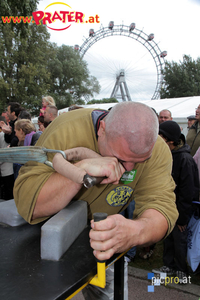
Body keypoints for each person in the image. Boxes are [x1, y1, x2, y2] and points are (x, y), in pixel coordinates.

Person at [14, 102, 178, 298]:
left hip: (102, 248)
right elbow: (28, 202)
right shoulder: (67, 128)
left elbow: (162, 206)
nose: (128, 169)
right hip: (45, 244)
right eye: (120, 158)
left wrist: (135, 232)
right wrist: (79, 171)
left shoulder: (157, 150)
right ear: (102, 129)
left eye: (139, 161)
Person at [153, 120, 199, 284]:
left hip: (180, 210)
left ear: (170, 140)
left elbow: (189, 191)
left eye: (161, 137)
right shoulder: (169, 155)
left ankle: (182, 272)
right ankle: (169, 266)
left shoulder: (184, 159)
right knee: (169, 238)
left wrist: (182, 218)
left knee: (180, 242)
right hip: (168, 207)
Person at [0, 116, 14, 200]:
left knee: (8, 192)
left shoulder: (2, 135)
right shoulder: (4, 134)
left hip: (6, 167)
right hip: (8, 166)